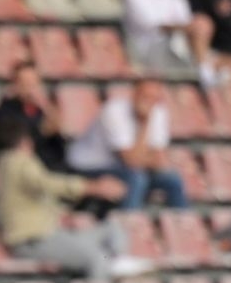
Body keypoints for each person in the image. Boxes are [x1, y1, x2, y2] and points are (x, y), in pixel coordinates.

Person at [0, 112, 143, 280]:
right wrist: (93, 187)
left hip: (48, 235)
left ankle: (114, 264)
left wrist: (63, 213)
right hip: (33, 240)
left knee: (111, 230)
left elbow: (40, 197)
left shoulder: (10, 164)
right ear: (25, 140)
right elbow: (48, 184)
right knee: (97, 258)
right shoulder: (17, 161)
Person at [66, 80, 189, 210]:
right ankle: (129, 220)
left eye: (154, 98)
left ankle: (183, 219)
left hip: (124, 169)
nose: (148, 102)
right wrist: (145, 124)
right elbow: (131, 162)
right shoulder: (113, 111)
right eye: (145, 96)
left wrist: (141, 156)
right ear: (134, 94)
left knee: (172, 180)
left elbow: (160, 162)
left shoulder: (158, 112)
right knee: (136, 178)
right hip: (89, 167)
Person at [124, 0, 216, 79]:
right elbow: (151, 25)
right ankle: (204, 74)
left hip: (178, 44)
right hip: (149, 49)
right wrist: (188, 26)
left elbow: (186, 25)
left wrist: (192, 26)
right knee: (200, 25)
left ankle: (204, 71)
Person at [0, 61, 70, 174]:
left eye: (34, 83)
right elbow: (14, 145)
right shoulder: (4, 112)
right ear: (15, 85)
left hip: (53, 167)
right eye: (25, 83)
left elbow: (59, 136)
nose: (30, 88)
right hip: (26, 171)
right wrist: (41, 131)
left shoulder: (43, 109)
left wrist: (46, 107)